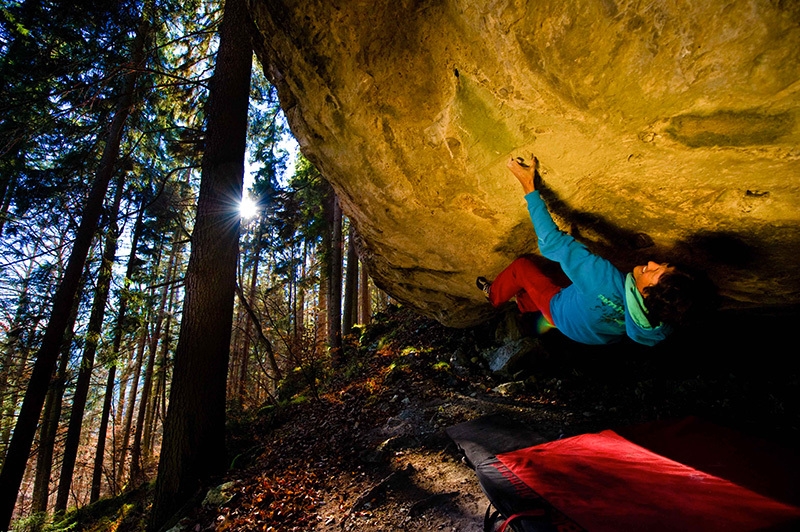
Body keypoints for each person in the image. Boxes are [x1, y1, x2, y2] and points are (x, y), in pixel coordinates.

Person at [477, 155, 715, 346]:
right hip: (594, 335)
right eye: (664, 266)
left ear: (646, 294)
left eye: (656, 273)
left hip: (562, 315)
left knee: (523, 267)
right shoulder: (663, 315)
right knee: (563, 276)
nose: (653, 263)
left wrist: (529, 186)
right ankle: (525, 304)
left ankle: (495, 296)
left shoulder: (602, 279)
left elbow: (551, 242)